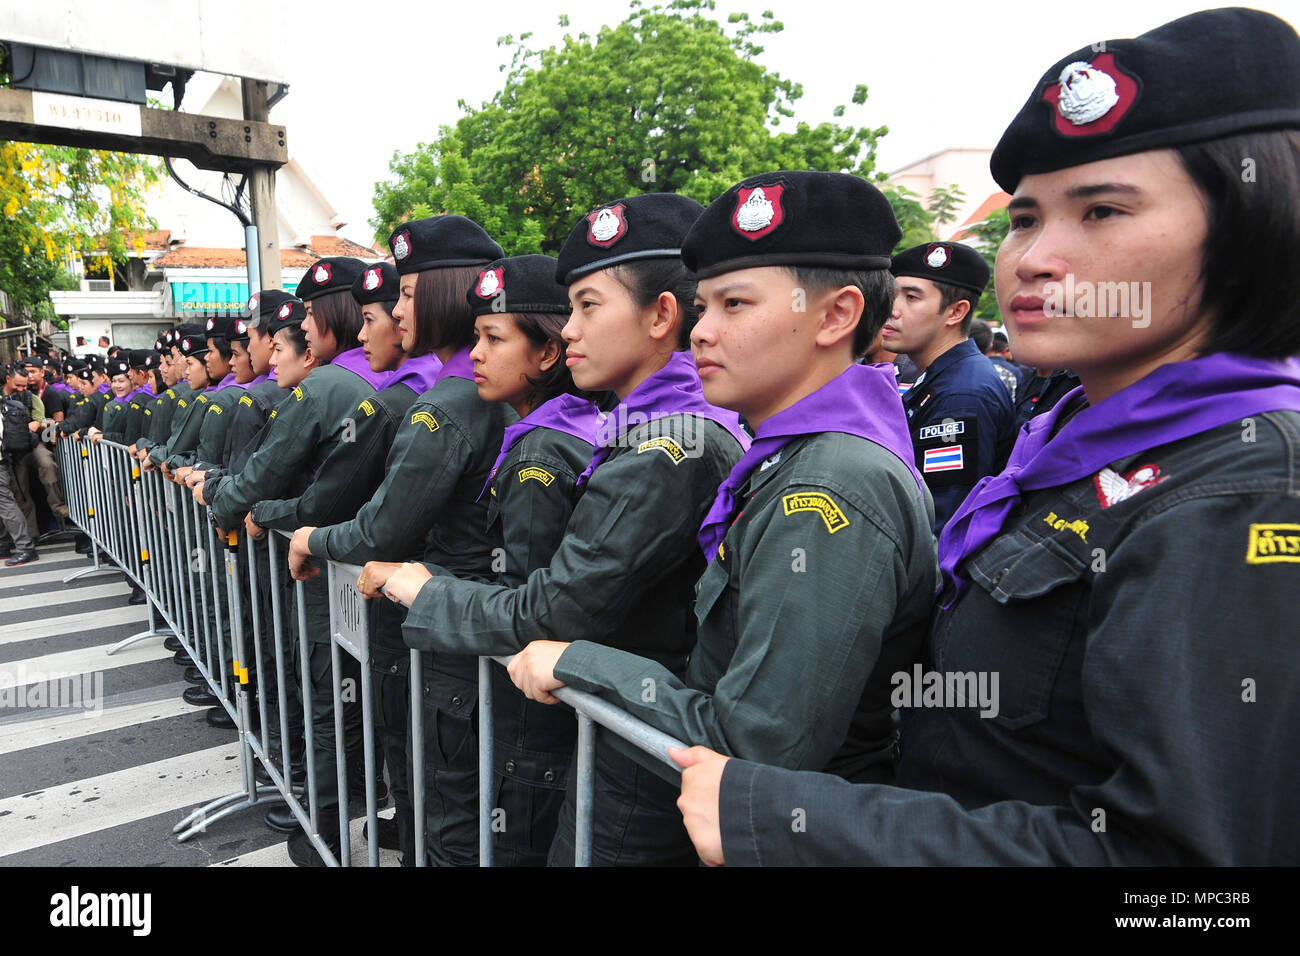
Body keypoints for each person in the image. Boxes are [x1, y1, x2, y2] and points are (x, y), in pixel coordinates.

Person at [670, 7, 1300, 866]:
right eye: (1029, 218)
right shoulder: (1083, 444)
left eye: (1103, 211)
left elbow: (1186, 886)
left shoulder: (1245, 492)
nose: (1033, 258)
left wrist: (789, 816)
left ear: (1247, 225)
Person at [507, 172, 937, 816]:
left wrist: (580, 663)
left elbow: (755, 745)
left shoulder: (829, 486)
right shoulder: (800, 459)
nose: (701, 331)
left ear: (837, 315)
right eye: (704, 306)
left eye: (734, 304)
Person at [367, 194, 749, 866]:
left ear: (660, 315)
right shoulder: (663, 427)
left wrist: (423, 591)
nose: (568, 330)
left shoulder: (668, 447)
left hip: (638, 752)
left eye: (588, 307)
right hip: (629, 732)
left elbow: (554, 607)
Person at [285, 216, 511, 867]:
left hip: (447, 636)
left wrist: (309, 536)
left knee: (442, 811)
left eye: (408, 294)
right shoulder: (490, 389)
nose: (394, 312)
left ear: (444, 292)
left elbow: (382, 527)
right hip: (482, 624)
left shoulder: (445, 405)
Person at [245, 263, 440, 865]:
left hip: (396, 586)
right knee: (390, 720)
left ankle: (340, 825)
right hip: (399, 588)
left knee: (370, 712)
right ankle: (395, 822)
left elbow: (349, 508)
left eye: (386, 309)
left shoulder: (397, 396)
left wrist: (296, 530)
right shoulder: (391, 386)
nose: (367, 329)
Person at [884, 240, 1015, 533]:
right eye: (893, 295)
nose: (892, 310)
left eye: (912, 298)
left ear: (955, 313)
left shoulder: (962, 394)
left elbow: (943, 521)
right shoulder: (942, 376)